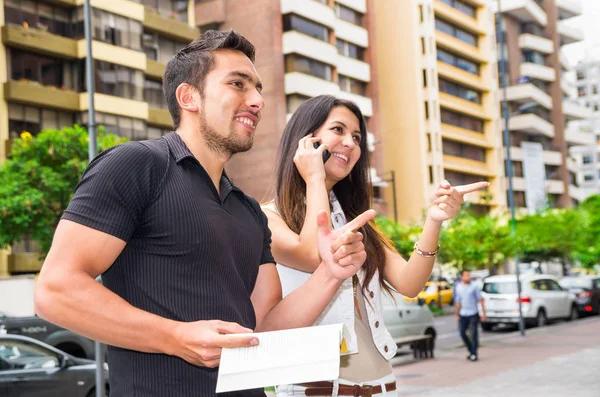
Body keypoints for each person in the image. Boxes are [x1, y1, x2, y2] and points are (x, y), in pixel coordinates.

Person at [33, 31, 375, 397]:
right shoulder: (136, 165)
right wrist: (177, 337)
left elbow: (262, 329)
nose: (257, 100)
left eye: (257, 88)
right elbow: (56, 291)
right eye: (238, 84)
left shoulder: (249, 212)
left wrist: (329, 274)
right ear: (188, 97)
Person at [262, 95, 490, 397]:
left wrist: (433, 221)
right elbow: (313, 256)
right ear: (306, 139)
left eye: (356, 137)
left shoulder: (358, 223)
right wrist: (314, 177)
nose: (350, 143)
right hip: (315, 390)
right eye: (338, 130)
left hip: (382, 386)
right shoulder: (268, 217)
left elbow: (410, 283)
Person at [455, 269, 487, 361]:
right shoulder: (458, 287)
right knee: (462, 333)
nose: (468, 277)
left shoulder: (474, 286)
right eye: (466, 275)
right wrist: (456, 314)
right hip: (463, 314)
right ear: (462, 277)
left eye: (469, 275)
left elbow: (480, 300)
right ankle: (471, 350)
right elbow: (458, 302)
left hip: (473, 313)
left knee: (473, 334)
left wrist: (483, 313)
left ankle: (474, 353)